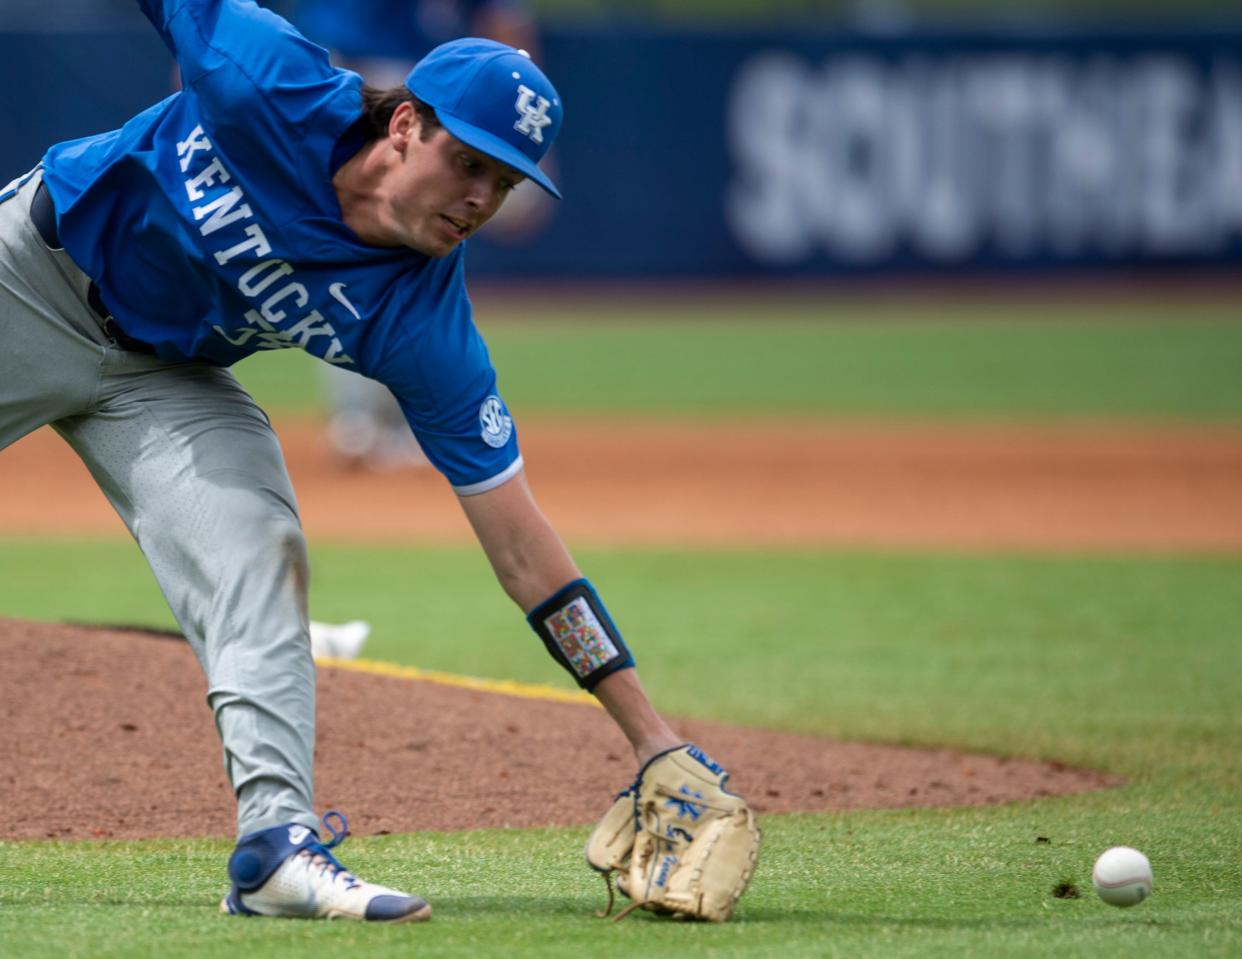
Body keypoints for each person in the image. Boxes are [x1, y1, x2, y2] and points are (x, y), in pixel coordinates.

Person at [0, 0, 756, 925]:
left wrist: (651, 734)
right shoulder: (266, 80)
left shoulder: (425, 324)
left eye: (506, 181)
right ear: (405, 124)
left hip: (169, 378)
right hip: (34, 281)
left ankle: (276, 851)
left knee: (261, 551)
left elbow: (523, 551)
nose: (480, 196)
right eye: (467, 161)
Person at [292, 0, 555, 471]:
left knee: (371, 258)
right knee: (376, 258)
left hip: (433, 90)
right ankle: (372, 420)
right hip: (402, 89)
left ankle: (366, 421)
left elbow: (502, 21)